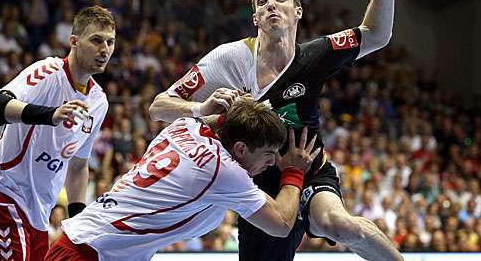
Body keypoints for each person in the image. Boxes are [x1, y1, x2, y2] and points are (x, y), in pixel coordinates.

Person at [149, 0, 405, 261]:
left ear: (297, 12)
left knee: (340, 225)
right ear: (255, 18)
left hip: (309, 169)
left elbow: (376, 34)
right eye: (262, 0)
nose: (271, 3)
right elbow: (159, 107)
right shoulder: (227, 59)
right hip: (258, 189)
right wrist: (201, 107)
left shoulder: (316, 55)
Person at [45, 97, 317, 261]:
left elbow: (206, 119)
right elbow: (281, 224)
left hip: (87, 243)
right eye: (269, 155)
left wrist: (230, 110)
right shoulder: (223, 171)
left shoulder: (183, 126)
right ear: (241, 149)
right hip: (88, 254)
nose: (272, 163)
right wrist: (294, 170)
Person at [0, 5, 116, 260]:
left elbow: (78, 166)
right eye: (96, 40)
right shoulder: (49, 71)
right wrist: (50, 114)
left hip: (39, 218)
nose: (104, 49)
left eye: (110, 42)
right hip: (4, 200)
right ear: (74, 41)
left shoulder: (98, 101)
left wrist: (78, 224)